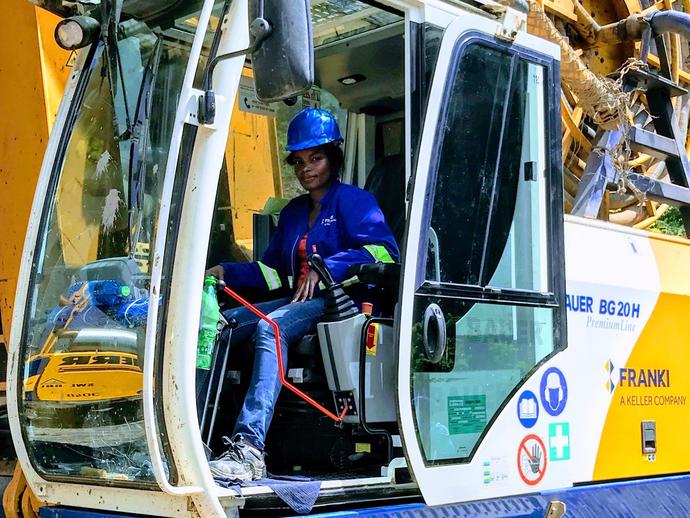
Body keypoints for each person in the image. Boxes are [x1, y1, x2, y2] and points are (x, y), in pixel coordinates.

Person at [204, 107, 399, 481]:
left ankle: (248, 450)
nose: (306, 168)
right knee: (222, 327)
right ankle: (205, 438)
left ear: (333, 158)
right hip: (297, 299)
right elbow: (272, 272)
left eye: (316, 158)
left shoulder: (354, 201)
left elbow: (386, 253)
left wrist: (327, 267)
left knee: (271, 328)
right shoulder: (293, 212)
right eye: (298, 161)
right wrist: (226, 270)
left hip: (340, 302)